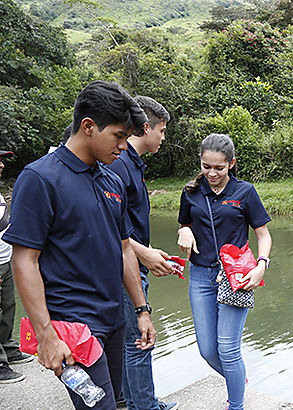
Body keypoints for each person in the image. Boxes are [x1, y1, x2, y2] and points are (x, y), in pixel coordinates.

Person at [4, 81, 155, 409]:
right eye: (118, 136)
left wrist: (141, 310)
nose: (124, 147)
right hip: (73, 325)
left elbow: (125, 248)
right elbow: (24, 260)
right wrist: (45, 336)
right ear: (88, 126)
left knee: (115, 403)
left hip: (114, 319)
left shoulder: (112, 178)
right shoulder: (40, 178)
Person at [177, 133, 272, 410]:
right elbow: (184, 223)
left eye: (219, 167)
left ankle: (236, 405)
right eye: (206, 166)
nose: (212, 173)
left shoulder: (245, 192)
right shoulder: (191, 192)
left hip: (237, 276)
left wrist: (261, 265)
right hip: (200, 275)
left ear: (231, 163)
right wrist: (183, 230)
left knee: (228, 349)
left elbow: (263, 235)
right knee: (208, 351)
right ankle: (237, 377)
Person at [104, 96, 177, 410]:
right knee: (140, 341)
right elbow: (107, 223)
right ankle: (144, 407)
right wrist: (144, 253)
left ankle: (137, 401)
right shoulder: (119, 163)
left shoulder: (131, 163)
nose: (163, 137)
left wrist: (147, 253)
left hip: (133, 261)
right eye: (162, 130)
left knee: (131, 339)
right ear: (146, 127)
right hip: (124, 266)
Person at [0, 149, 35, 384]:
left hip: (5, 259)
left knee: (8, 306)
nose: (1, 165)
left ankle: (9, 350)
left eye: (1, 160)